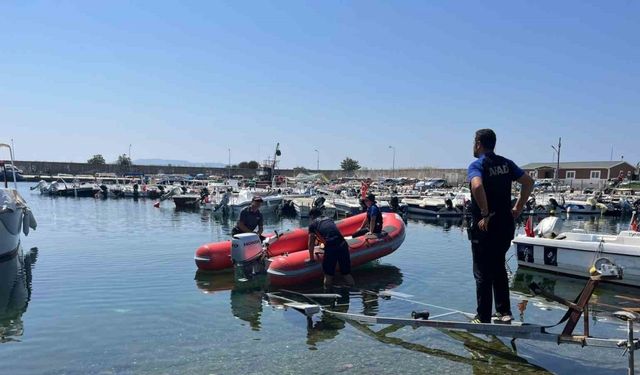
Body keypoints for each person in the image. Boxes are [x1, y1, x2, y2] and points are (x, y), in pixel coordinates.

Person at [467, 129, 534, 324]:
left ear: (479, 143)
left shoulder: (477, 164)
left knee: (482, 271)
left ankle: (483, 317)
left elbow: (477, 186)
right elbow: (528, 182)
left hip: (485, 226)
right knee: (498, 266)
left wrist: (485, 212)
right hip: (505, 224)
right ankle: (504, 312)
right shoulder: (506, 163)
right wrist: (518, 207)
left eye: (474, 142)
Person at [307, 208, 355, 288]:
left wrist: (311, 258)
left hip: (332, 247)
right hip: (343, 244)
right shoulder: (329, 219)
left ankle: (328, 294)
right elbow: (331, 233)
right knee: (346, 273)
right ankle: (352, 290)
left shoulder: (312, 225)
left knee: (328, 275)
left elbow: (311, 243)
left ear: (312, 217)